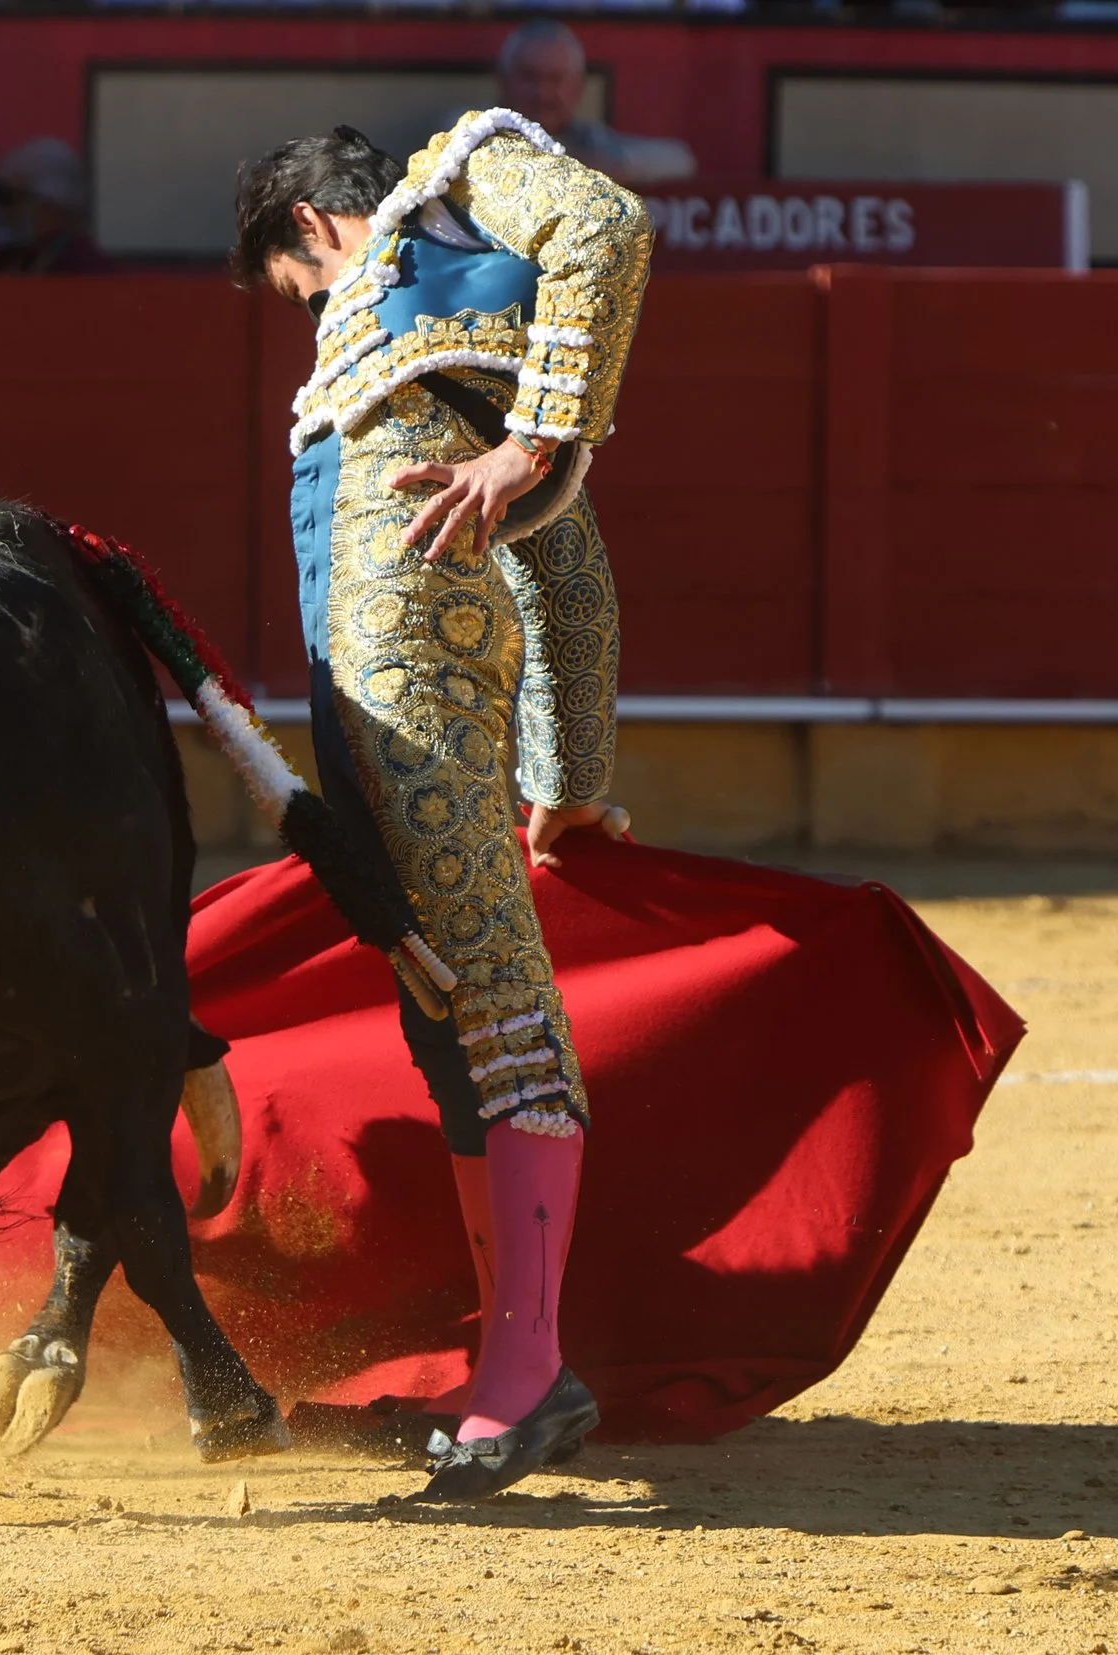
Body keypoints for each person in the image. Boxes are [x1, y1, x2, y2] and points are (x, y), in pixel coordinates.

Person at [230, 113, 649, 1500]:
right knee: (451, 1001)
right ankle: (515, 1356)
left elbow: (606, 227)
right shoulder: (450, 374)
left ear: (308, 230)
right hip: (376, 686)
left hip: (406, 675)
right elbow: (573, 587)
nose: (311, 326)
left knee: (497, 995)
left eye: (296, 300)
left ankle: (529, 1374)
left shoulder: (455, 181)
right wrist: (571, 787)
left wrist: (531, 448)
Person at [494, 21, 697, 191]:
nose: (542, 92)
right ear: (503, 80)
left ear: (577, 86)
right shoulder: (473, 133)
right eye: (529, 77)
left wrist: (617, 166)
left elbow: (681, 159)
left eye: (555, 79)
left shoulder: (591, 141)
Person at [0, 138, 114, 274]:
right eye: (1, 198)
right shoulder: (3, 261)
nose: (6, 210)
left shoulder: (90, 271)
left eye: (10, 198)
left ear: (54, 207)